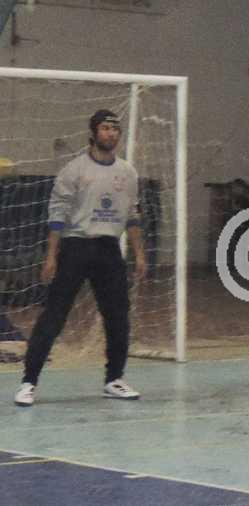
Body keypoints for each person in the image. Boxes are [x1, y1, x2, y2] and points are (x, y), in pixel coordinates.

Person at [14, 109, 145, 407]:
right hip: (76, 247)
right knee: (54, 315)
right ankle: (28, 382)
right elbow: (57, 215)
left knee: (118, 316)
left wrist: (139, 254)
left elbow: (133, 214)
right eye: (105, 128)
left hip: (109, 249)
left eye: (115, 129)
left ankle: (114, 379)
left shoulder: (127, 172)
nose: (111, 133)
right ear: (93, 133)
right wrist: (51, 256)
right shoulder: (73, 170)